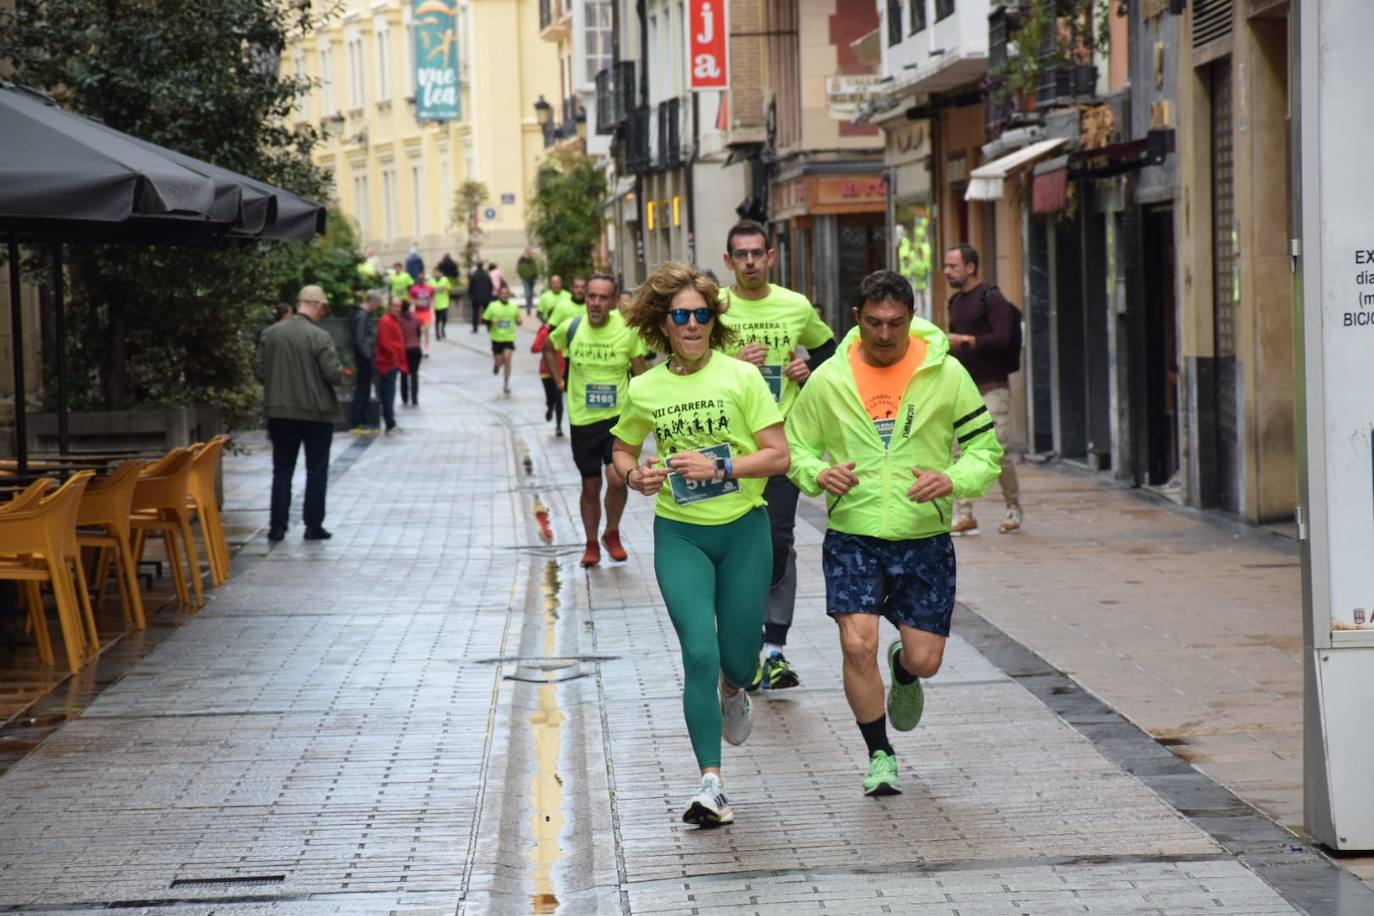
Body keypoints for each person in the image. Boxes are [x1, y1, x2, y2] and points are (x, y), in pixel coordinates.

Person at [785, 269, 1003, 796]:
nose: (885, 335)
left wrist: (951, 478)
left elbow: (986, 451)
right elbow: (795, 447)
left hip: (922, 534)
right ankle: (880, 753)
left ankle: (903, 673)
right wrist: (818, 473)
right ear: (856, 319)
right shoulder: (829, 379)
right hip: (853, 532)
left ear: (911, 320)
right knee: (856, 644)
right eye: (874, 323)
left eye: (896, 324)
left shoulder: (945, 373)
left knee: (925, 659)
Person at [610, 262, 789, 827]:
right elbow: (621, 450)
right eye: (680, 316)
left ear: (714, 320)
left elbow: (778, 456)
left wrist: (721, 467)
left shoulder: (742, 378)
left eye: (701, 315)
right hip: (680, 533)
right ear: (663, 325)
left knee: (737, 658)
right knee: (698, 653)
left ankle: (735, 688)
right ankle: (711, 784)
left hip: (743, 531)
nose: (691, 324)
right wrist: (632, 475)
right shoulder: (645, 386)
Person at [718, 219, 838, 691]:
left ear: (771, 257)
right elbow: (688, 362)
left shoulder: (795, 305)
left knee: (777, 544)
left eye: (757, 253)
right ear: (729, 261)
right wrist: (731, 365)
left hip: (779, 446)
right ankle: (739, 642)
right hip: (727, 451)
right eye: (740, 254)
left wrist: (808, 366)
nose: (750, 261)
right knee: (734, 548)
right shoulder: (715, 309)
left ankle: (773, 648)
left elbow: (832, 349)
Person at [544, 273, 648, 567]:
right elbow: (548, 347)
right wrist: (558, 381)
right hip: (583, 419)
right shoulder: (572, 327)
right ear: (585, 298)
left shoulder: (627, 330)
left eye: (603, 297)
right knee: (590, 486)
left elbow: (641, 373)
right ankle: (591, 542)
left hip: (619, 418)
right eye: (592, 296)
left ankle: (611, 532)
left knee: (617, 478)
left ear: (614, 302)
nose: (596, 303)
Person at [943, 243, 1022, 535]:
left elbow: (1001, 339)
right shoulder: (955, 302)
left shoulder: (993, 298)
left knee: (997, 449)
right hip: (965, 390)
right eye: (946, 265)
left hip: (993, 387)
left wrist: (964, 340)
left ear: (970, 267)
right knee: (957, 451)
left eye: (952, 266)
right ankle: (965, 513)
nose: (946, 271)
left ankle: (1013, 507)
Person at [255, 285, 343, 542]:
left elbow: (259, 370)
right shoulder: (319, 336)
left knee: (282, 469)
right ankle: (313, 525)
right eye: (323, 308)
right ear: (316, 305)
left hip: (280, 412)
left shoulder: (270, 334)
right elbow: (334, 374)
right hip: (317, 414)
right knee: (316, 469)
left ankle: (277, 527)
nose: (322, 313)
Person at [348, 292, 382, 436]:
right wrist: (368, 354)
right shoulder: (362, 315)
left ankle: (362, 419)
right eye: (378, 304)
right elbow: (360, 337)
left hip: (364, 356)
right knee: (362, 389)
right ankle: (358, 420)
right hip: (364, 357)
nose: (377, 308)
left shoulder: (362, 314)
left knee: (364, 388)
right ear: (372, 302)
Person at [375, 297, 408, 435]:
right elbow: (385, 343)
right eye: (395, 306)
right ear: (389, 306)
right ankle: (390, 424)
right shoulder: (386, 321)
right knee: (388, 394)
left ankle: (390, 423)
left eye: (399, 306)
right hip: (388, 364)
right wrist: (394, 359)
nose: (397, 309)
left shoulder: (393, 320)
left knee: (388, 394)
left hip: (392, 363)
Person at [482, 283, 522, 394]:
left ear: (509, 294)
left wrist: (519, 321)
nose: (505, 295)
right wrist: (491, 321)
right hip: (496, 338)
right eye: (502, 293)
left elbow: (519, 320)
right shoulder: (493, 306)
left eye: (506, 293)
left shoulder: (513, 307)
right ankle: (497, 365)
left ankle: (506, 384)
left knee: (508, 359)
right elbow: (483, 319)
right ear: (499, 295)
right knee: (500, 361)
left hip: (509, 338)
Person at [532, 321, 565, 437]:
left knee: (559, 399)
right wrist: (548, 346)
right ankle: (550, 408)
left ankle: (559, 426)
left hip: (560, 370)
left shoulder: (564, 331)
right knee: (550, 399)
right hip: (545, 371)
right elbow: (534, 348)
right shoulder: (544, 332)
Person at [398, 299, 423, 407]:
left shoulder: (398, 320)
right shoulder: (416, 318)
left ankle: (404, 397)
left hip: (404, 349)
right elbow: (418, 332)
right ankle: (414, 398)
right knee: (414, 374)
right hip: (415, 348)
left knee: (404, 373)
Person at [409, 271, 435, 357]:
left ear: (425, 279)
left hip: (426, 312)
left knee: (426, 330)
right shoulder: (414, 289)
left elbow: (432, 298)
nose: (421, 280)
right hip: (417, 313)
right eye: (419, 278)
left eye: (422, 278)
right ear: (417, 279)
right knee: (417, 331)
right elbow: (410, 299)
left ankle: (426, 349)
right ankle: (418, 346)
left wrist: (430, 303)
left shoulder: (429, 288)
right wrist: (417, 303)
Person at [468, 262, 493, 334]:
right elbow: (490, 286)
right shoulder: (486, 275)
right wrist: (489, 295)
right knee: (487, 313)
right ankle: (489, 328)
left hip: (476, 297)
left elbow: (470, 287)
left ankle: (475, 328)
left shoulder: (474, 275)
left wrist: (470, 295)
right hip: (485, 297)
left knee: (475, 313)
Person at [431, 270, 453, 341]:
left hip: (444, 302)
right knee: (437, 319)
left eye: (439, 273)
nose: (437, 274)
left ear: (441, 273)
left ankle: (443, 330)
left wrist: (444, 288)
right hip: (436, 303)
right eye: (436, 273)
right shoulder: (431, 282)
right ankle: (437, 333)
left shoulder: (445, 280)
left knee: (444, 318)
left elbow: (449, 288)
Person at [517, 247, 539, 314]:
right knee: (528, 292)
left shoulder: (532, 260)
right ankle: (528, 307)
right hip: (525, 278)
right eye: (528, 252)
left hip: (532, 278)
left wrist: (535, 275)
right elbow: (519, 268)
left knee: (531, 293)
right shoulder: (521, 259)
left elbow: (534, 267)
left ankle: (529, 305)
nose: (530, 253)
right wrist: (521, 275)